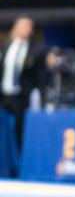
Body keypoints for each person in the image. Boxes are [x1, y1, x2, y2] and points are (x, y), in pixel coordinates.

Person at [0, 17, 47, 146]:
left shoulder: (36, 50)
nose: (28, 29)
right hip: (4, 95)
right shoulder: (5, 46)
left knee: (20, 130)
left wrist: (40, 98)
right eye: (25, 26)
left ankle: (19, 161)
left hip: (22, 97)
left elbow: (41, 76)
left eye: (30, 27)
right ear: (15, 28)